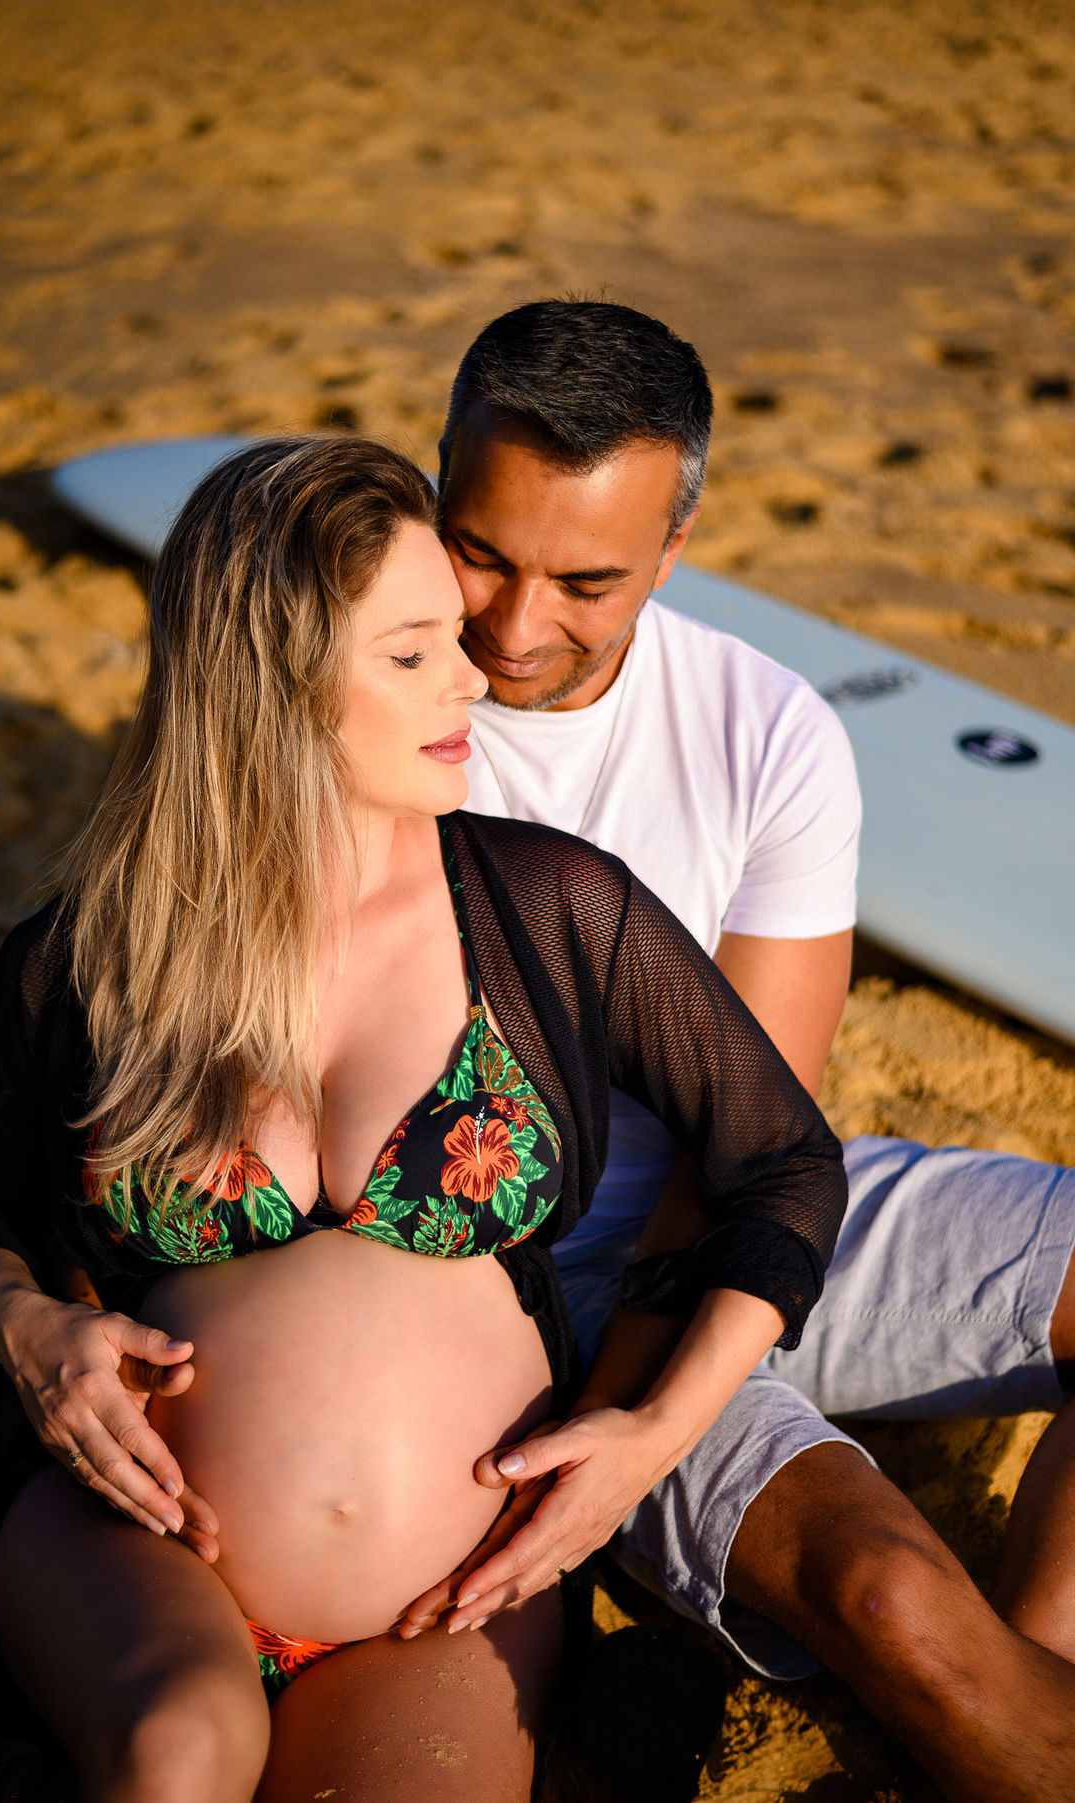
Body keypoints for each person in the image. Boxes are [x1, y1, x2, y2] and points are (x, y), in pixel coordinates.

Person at [0, 434, 847, 1803]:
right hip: (138, 1549)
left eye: (451, 635)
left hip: (447, 1597)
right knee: (177, 1756)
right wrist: (28, 1331)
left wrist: (653, 1435)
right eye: (412, 654)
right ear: (268, 687)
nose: (473, 679)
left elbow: (785, 1164)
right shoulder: (98, 954)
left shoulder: (551, 907)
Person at [386, 298, 1075, 1803]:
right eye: (479, 551)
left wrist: (655, 1423)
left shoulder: (770, 731)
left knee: (969, 1667)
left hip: (738, 1220)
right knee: (897, 1602)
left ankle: (1007, 1705)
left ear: (676, 547)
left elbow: (759, 1150)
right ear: (436, 482)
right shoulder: (357, 704)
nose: (512, 629)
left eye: (587, 580)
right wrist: (609, 1423)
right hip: (501, 1304)